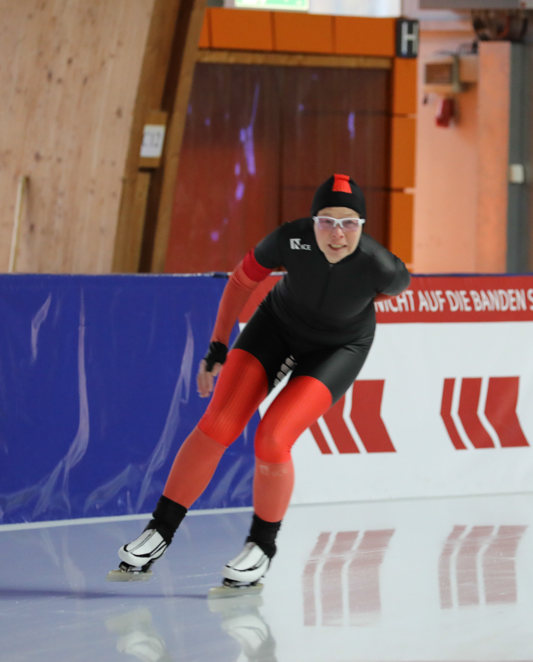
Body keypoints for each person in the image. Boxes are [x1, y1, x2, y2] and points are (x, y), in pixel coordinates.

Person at [109, 174, 410, 592]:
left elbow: (386, 292)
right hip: (276, 328)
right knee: (218, 424)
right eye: (326, 221)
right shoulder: (289, 238)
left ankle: (261, 546)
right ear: (313, 221)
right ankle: (159, 530)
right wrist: (218, 347)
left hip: (338, 349)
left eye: (349, 224)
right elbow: (241, 281)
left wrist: (346, 309)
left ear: (362, 225)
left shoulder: (384, 267)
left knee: (273, 438)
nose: (337, 234)